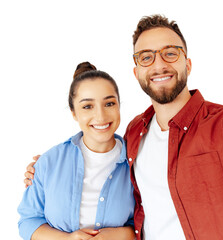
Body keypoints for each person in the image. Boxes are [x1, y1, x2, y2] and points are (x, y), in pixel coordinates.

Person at [24, 15, 223, 240]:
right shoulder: (135, 134)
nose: (160, 63)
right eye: (146, 57)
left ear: (187, 63)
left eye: (170, 53)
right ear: (136, 72)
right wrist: (47, 171)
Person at [18, 62, 135, 240]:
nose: (101, 116)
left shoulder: (137, 163)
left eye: (109, 103)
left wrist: (120, 234)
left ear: (119, 105)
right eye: (87, 106)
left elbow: (149, 222)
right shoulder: (49, 162)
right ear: (74, 113)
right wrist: (68, 239)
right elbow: (28, 221)